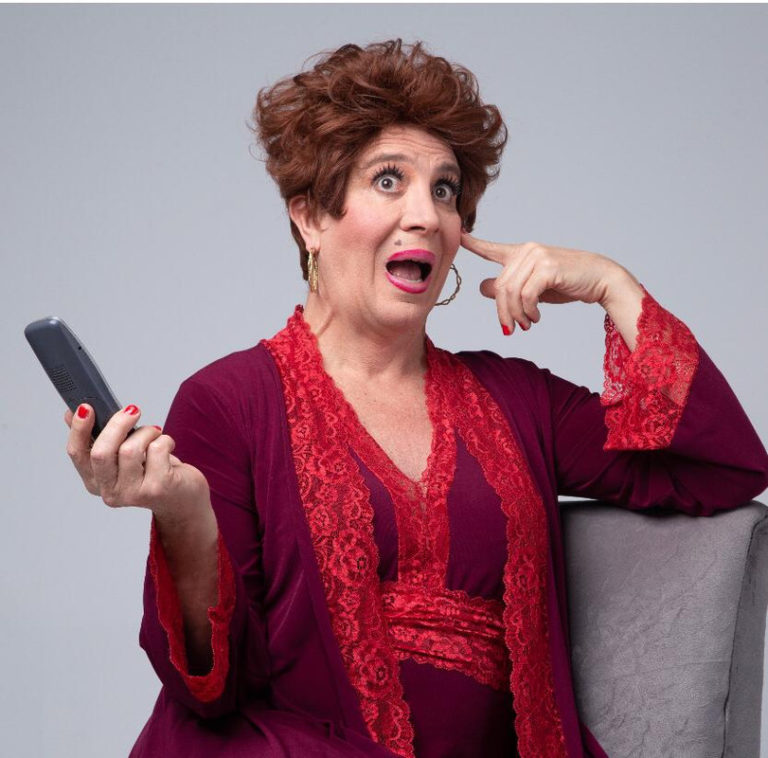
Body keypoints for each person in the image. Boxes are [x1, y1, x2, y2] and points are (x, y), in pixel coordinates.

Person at [64, 40, 768, 758]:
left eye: (445, 190)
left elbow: (724, 468)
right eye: (389, 180)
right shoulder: (228, 403)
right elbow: (212, 690)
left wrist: (613, 285)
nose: (427, 215)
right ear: (310, 218)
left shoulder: (521, 402)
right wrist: (185, 516)